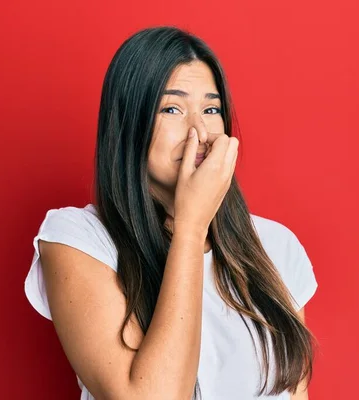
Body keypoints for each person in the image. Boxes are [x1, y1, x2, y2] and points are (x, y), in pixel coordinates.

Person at [24, 26, 319, 400]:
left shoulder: (276, 246)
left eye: (211, 109)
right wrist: (191, 227)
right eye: (172, 109)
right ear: (130, 123)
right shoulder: (78, 238)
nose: (198, 130)